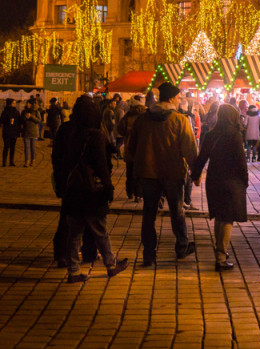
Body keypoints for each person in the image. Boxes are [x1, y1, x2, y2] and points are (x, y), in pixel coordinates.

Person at [52, 95, 128, 283]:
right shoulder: (95, 135)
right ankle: (110, 264)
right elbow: (101, 166)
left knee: (74, 233)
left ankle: (73, 270)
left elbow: (60, 160)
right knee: (100, 230)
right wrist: (108, 187)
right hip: (91, 191)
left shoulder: (69, 132)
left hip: (72, 190)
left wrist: (62, 183)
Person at [127, 82, 198, 267]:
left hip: (148, 173)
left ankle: (149, 254)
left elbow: (130, 148)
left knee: (148, 214)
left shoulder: (142, 120)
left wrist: (135, 167)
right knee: (177, 212)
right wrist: (195, 171)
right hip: (173, 173)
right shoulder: (180, 120)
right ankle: (182, 246)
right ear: (173, 98)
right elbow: (189, 148)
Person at [191, 104, 248, 271]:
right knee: (228, 218)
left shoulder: (211, 134)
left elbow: (201, 157)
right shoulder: (234, 135)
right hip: (231, 180)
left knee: (220, 217)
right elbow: (240, 161)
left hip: (214, 179)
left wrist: (195, 175)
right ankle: (221, 257)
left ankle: (220, 251)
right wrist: (245, 180)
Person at [117, 95, 146, 201]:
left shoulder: (128, 116)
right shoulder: (146, 115)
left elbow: (120, 129)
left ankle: (130, 192)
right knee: (141, 171)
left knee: (130, 171)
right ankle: (139, 193)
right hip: (143, 148)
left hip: (129, 146)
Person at [21, 100, 42, 167]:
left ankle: (33, 160)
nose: (27, 104)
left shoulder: (36, 111)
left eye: (29, 103)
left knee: (33, 148)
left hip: (34, 132)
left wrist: (31, 117)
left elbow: (38, 120)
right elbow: (21, 120)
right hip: (26, 131)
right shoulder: (24, 111)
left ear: (32, 104)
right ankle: (26, 161)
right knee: (26, 147)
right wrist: (25, 118)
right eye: (27, 103)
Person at [1, 99, 21, 167]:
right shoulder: (5, 112)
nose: (15, 104)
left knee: (13, 147)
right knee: (6, 147)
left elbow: (19, 122)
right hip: (7, 132)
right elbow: (2, 121)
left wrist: (18, 131)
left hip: (14, 132)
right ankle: (4, 161)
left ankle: (11, 161)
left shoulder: (16, 112)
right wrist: (8, 119)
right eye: (13, 103)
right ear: (9, 104)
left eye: (15, 103)